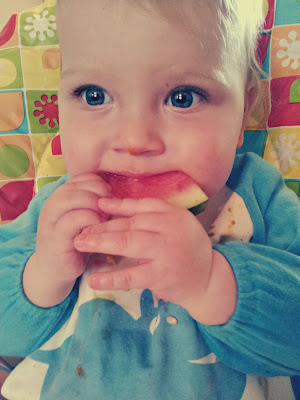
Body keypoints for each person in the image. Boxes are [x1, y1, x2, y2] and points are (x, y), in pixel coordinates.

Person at [0, 0, 299, 398]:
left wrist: (213, 282)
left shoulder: (257, 196)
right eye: (93, 95)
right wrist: (40, 274)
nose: (135, 140)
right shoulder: (57, 211)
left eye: (183, 98)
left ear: (244, 113)